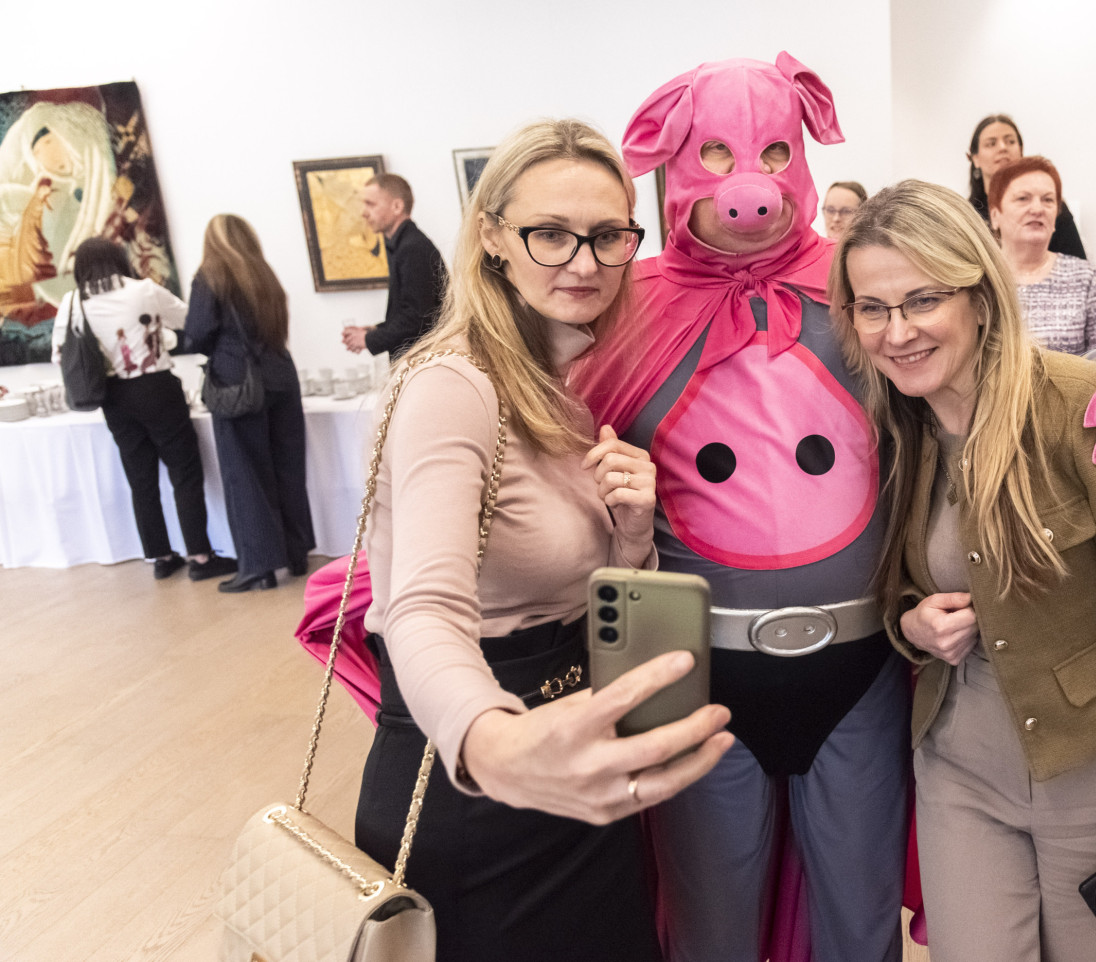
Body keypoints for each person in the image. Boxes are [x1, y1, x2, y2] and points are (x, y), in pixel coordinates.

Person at [570, 53, 1096, 962]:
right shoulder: (634, 305)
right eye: (719, 156)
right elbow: (545, 404)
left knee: (860, 925)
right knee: (706, 927)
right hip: (701, 668)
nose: (748, 186)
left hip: (862, 663)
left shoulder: (854, 286)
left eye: (773, 154)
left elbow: (975, 376)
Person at [351, 118, 734, 962]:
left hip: (567, 762)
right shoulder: (453, 384)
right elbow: (421, 606)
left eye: (607, 236)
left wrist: (630, 537)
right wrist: (494, 745)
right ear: (492, 236)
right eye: (551, 234)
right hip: (478, 787)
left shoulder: (556, 386)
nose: (585, 263)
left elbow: (565, 591)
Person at [830, 178, 1096, 962]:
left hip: (1092, 777)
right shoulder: (895, 432)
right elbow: (901, 581)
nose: (896, 332)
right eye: (872, 308)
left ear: (980, 296)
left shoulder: (1089, 411)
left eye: (922, 300)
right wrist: (912, 621)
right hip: (958, 775)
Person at [50, 238, 236, 582]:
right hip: (156, 387)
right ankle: (200, 556)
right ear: (120, 259)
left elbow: (59, 355)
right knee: (184, 471)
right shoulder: (143, 291)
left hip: (112, 396)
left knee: (140, 478)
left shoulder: (72, 303)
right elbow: (188, 320)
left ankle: (161, 557)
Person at [183, 215, 315, 592]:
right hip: (281, 375)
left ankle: (259, 567)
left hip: (238, 383)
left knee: (245, 473)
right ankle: (296, 553)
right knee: (287, 467)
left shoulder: (211, 276)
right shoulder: (264, 274)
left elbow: (196, 334)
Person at [988, 156, 1096, 354]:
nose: (1037, 209)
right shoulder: (979, 278)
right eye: (1023, 198)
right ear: (995, 216)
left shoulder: (1087, 278)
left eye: (1048, 200)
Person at [341, 173, 447, 359]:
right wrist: (374, 330)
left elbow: (418, 318)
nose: (364, 213)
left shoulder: (412, 247)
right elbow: (411, 311)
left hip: (423, 361)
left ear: (397, 206)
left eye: (371, 204)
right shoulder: (405, 245)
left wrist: (369, 339)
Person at [966, 113, 1086, 259]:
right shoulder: (966, 216)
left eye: (1010, 141)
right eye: (991, 144)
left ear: (1021, 151)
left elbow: (1078, 265)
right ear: (975, 158)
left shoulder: (1048, 207)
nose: (1003, 148)